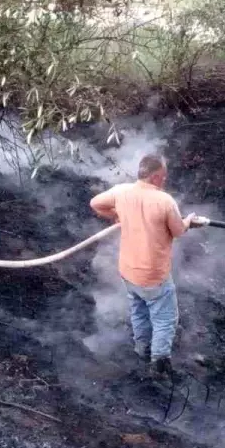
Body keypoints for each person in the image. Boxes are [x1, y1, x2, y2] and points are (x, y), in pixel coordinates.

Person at [90, 154, 201, 377]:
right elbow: (178, 231)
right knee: (164, 319)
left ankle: (142, 350)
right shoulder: (164, 201)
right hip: (153, 276)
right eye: (164, 176)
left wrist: (118, 215)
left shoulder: (122, 191)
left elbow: (95, 203)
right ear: (157, 177)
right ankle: (159, 363)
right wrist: (190, 221)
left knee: (139, 311)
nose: (165, 180)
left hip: (128, 272)